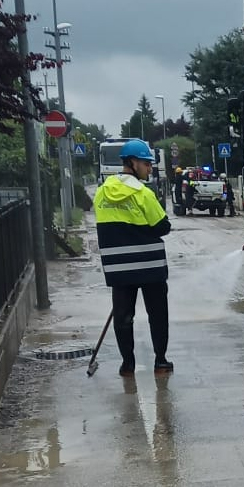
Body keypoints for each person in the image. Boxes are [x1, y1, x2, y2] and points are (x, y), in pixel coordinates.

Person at [93, 139, 174, 377]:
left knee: (123, 317)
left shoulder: (102, 193)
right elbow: (162, 226)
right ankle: (160, 361)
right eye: (146, 163)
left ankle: (127, 364)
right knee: (157, 314)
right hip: (150, 267)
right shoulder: (143, 193)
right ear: (133, 163)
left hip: (119, 268)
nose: (150, 168)